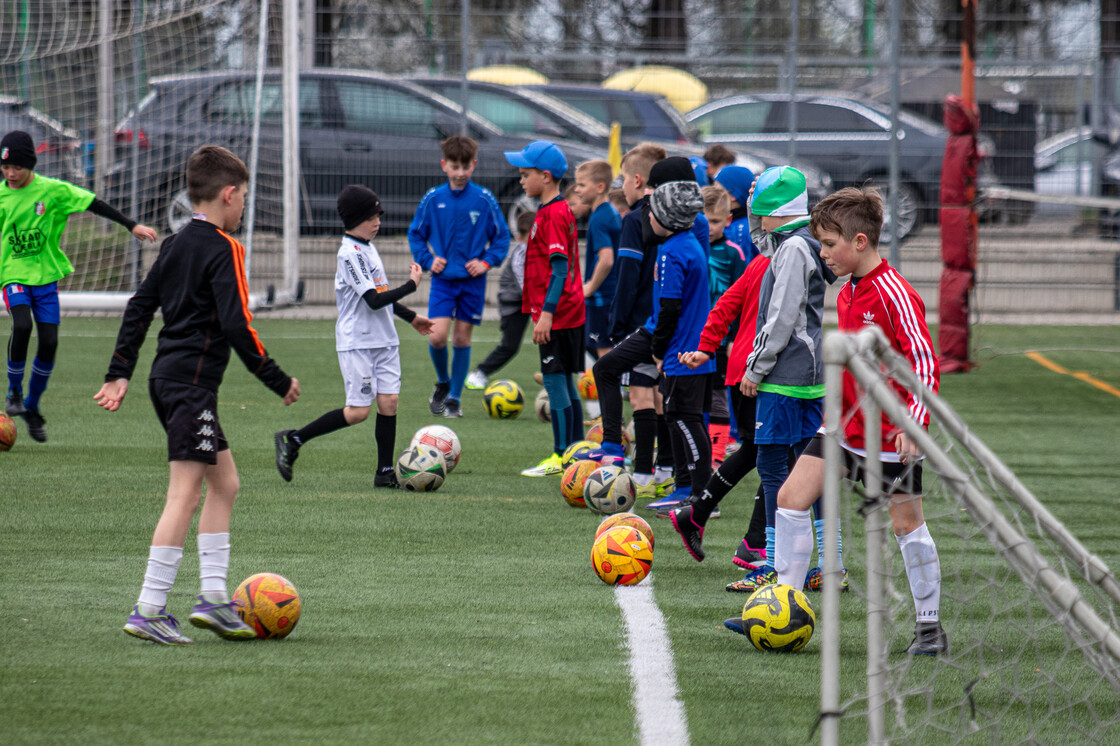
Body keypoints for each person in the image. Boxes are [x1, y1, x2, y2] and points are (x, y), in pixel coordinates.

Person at [94, 145, 300, 645]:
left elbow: (139, 307)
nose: (245, 207)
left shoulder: (174, 242)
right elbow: (237, 323)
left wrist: (120, 371)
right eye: (245, 197)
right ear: (229, 194)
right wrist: (276, 378)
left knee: (224, 484)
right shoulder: (224, 247)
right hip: (189, 389)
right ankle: (148, 608)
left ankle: (212, 598)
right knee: (184, 495)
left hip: (170, 382)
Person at [770, 186, 947, 655]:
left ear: (861, 242)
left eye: (829, 244)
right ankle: (782, 609)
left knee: (907, 524)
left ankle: (930, 629)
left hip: (888, 434)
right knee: (790, 499)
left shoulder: (895, 293)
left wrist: (913, 423)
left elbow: (924, 361)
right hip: (843, 428)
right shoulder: (847, 289)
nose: (823, 253)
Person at [673, 166, 836, 592]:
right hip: (807, 376)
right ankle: (829, 565)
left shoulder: (793, 250)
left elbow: (782, 318)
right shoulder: (803, 246)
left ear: (771, 211)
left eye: (756, 212)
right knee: (808, 470)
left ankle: (773, 564)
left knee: (771, 468)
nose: (752, 222)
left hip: (784, 380)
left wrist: (755, 367)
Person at [1, 129, 158, 442]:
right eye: (4, 167)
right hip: (13, 273)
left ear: (30, 164)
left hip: (46, 277)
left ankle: (31, 407)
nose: (10, 173)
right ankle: (14, 393)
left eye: (16, 167)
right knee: (21, 326)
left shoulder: (52, 191)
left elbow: (93, 204)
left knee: (50, 342)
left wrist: (132, 225)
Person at [274, 185, 433, 487]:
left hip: (384, 339)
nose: (378, 222)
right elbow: (373, 300)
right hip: (358, 342)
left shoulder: (368, 247)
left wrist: (411, 317)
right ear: (356, 218)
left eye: (379, 216)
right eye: (373, 216)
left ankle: (384, 472)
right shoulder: (349, 254)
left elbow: (382, 295)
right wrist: (412, 285)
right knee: (358, 412)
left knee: (389, 403)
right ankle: (294, 439)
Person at [408, 135, 510, 419]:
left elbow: (502, 238)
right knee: (437, 337)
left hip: (473, 283)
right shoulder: (433, 198)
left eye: (466, 166)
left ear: (474, 165)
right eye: (455, 167)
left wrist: (487, 262)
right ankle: (443, 382)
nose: (460, 173)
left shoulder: (484, 199)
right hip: (443, 281)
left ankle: (454, 398)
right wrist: (428, 259)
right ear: (444, 165)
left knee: (462, 339)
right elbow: (416, 233)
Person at [504, 141, 585, 476]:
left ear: (546, 177)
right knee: (565, 381)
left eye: (526, 174)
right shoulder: (552, 211)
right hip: (566, 312)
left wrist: (546, 314)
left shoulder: (553, 214)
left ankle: (561, 456)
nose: (521, 181)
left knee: (555, 383)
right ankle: (576, 453)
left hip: (560, 315)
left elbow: (561, 268)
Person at [594, 144, 669, 497]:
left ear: (637, 180)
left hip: (642, 322)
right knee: (655, 395)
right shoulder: (676, 217)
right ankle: (659, 468)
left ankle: (617, 456)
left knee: (621, 381)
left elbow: (627, 276)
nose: (621, 185)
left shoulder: (634, 219)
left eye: (623, 178)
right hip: (667, 319)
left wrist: (617, 325)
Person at [645, 179, 716, 505]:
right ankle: (692, 490)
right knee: (688, 420)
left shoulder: (672, 252)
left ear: (668, 217)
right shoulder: (689, 244)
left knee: (685, 421)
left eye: (653, 211)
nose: (647, 217)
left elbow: (669, 308)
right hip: (694, 352)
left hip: (682, 355)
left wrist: (659, 350)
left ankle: (701, 495)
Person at [700, 184, 750, 465]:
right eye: (704, 220)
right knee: (691, 399)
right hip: (693, 338)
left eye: (716, 221)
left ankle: (716, 459)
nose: (709, 227)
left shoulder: (734, 254)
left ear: (728, 220)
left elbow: (741, 299)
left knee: (718, 396)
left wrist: (733, 338)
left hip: (721, 340)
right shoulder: (690, 248)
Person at [466, 210, 534, 390]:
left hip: (532, 300)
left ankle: (557, 371)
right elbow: (525, 287)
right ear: (520, 238)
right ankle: (479, 373)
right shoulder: (520, 255)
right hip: (513, 303)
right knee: (510, 346)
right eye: (531, 236)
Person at [573, 160, 620, 359]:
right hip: (612, 293)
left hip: (602, 296)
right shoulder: (610, 212)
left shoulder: (599, 218)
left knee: (604, 352)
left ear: (600, 187)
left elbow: (607, 259)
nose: (577, 190)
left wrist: (590, 287)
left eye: (582, 185)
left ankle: (608, 390)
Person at [712, 165, 756, 260]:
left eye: (716, 189)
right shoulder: (747, 222)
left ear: (733, 195)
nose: (712, 193)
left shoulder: (739, 231)